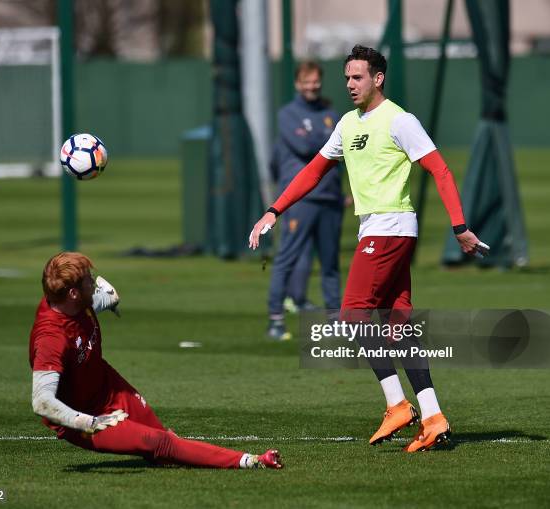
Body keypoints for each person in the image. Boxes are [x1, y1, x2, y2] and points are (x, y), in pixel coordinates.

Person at [249, 45, 487, 452]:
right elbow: (314, 171)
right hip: (379, 230)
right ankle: (434, 417)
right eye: (346, 78)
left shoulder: (400, 120)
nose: (349, 85)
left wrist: (459, 226)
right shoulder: (346, 123)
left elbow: (440, 170)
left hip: (390, 227)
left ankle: (397, 405)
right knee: (398, 329)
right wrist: (274, 210)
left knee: (354, 313)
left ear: (377, 79)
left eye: (357, 77)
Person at [29, 252, 282, 469]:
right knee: (161, 444)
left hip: (108, 386)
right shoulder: (51, 337)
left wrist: (110, 298)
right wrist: (88, 421)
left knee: (164, 447)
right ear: (73, 293)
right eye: (87, 281)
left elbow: (93, 302)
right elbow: (42, 401)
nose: (93, 282)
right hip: (84, 417)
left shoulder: (73, 302)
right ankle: (251, 460)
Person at [266, 61, 344, 341]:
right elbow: (303, 146)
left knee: (330, 262)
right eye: (306, 81)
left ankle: (336, 319)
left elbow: (342, 153)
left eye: (315, 81)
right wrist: (329, 141)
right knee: (287, 258)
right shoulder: (288, 114)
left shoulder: (331, 113)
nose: (311, 86)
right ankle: (275, 319)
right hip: (301, 199)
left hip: (331, 198)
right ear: (298, 84)